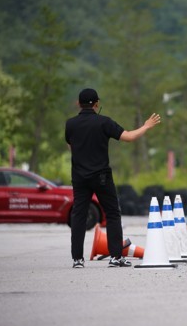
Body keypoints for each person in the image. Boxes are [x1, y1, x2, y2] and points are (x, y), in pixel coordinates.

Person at [65, 88, 161, 268]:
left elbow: (71, 146)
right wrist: (147, 126)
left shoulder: (70, 124)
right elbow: (129, 137)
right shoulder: (104, 122)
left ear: (78, 103)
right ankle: (115, 257)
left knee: (79, 215)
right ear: (97, 104)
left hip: (79, 177)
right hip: (101, 176)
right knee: (112, 213)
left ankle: (77, 259)